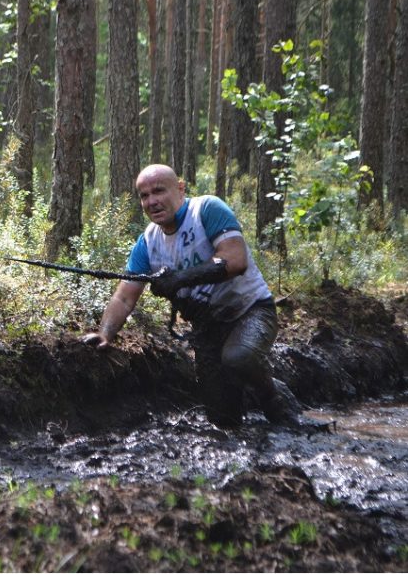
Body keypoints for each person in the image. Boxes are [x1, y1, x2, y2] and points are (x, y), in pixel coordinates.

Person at [83, 164, 301, 428]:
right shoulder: (148, 242)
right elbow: (124, 298)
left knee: (239, 357)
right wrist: (105, 333)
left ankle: (272, 395)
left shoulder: (208, 209)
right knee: (222, 421)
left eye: (159, 191)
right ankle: (242, 394)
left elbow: (235, 259)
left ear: (180, 189)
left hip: (251, 310)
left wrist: (179, 279)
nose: (152, 201)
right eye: (144, 195)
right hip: (207, 329)